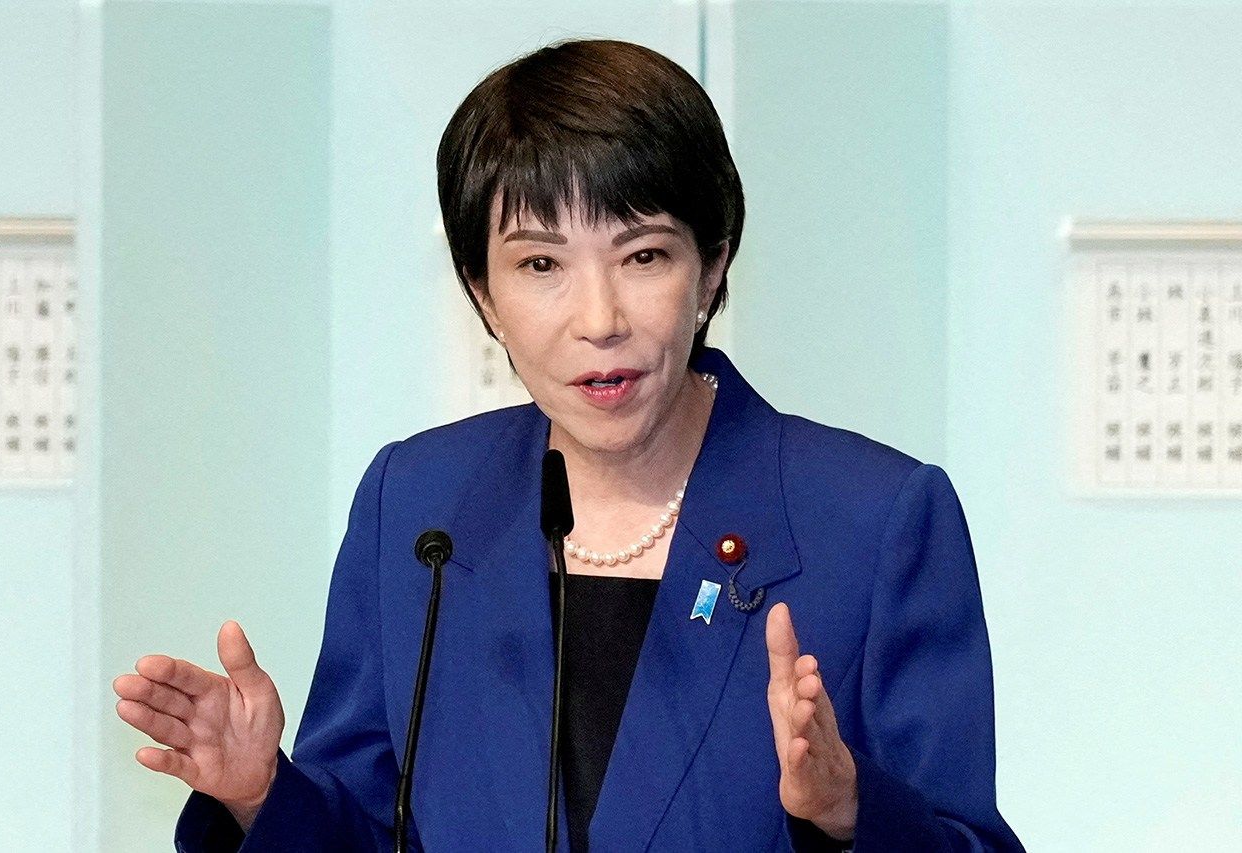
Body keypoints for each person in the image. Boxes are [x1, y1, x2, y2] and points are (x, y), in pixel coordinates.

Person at [113, 38, 1024, 852]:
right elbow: (370, 830)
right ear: (482, 293)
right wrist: (261, 793)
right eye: (540, 265)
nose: (600, 320)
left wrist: (851, 811)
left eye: (644, 256)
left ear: (711, 267)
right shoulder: (419, 505)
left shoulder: (873, 519)